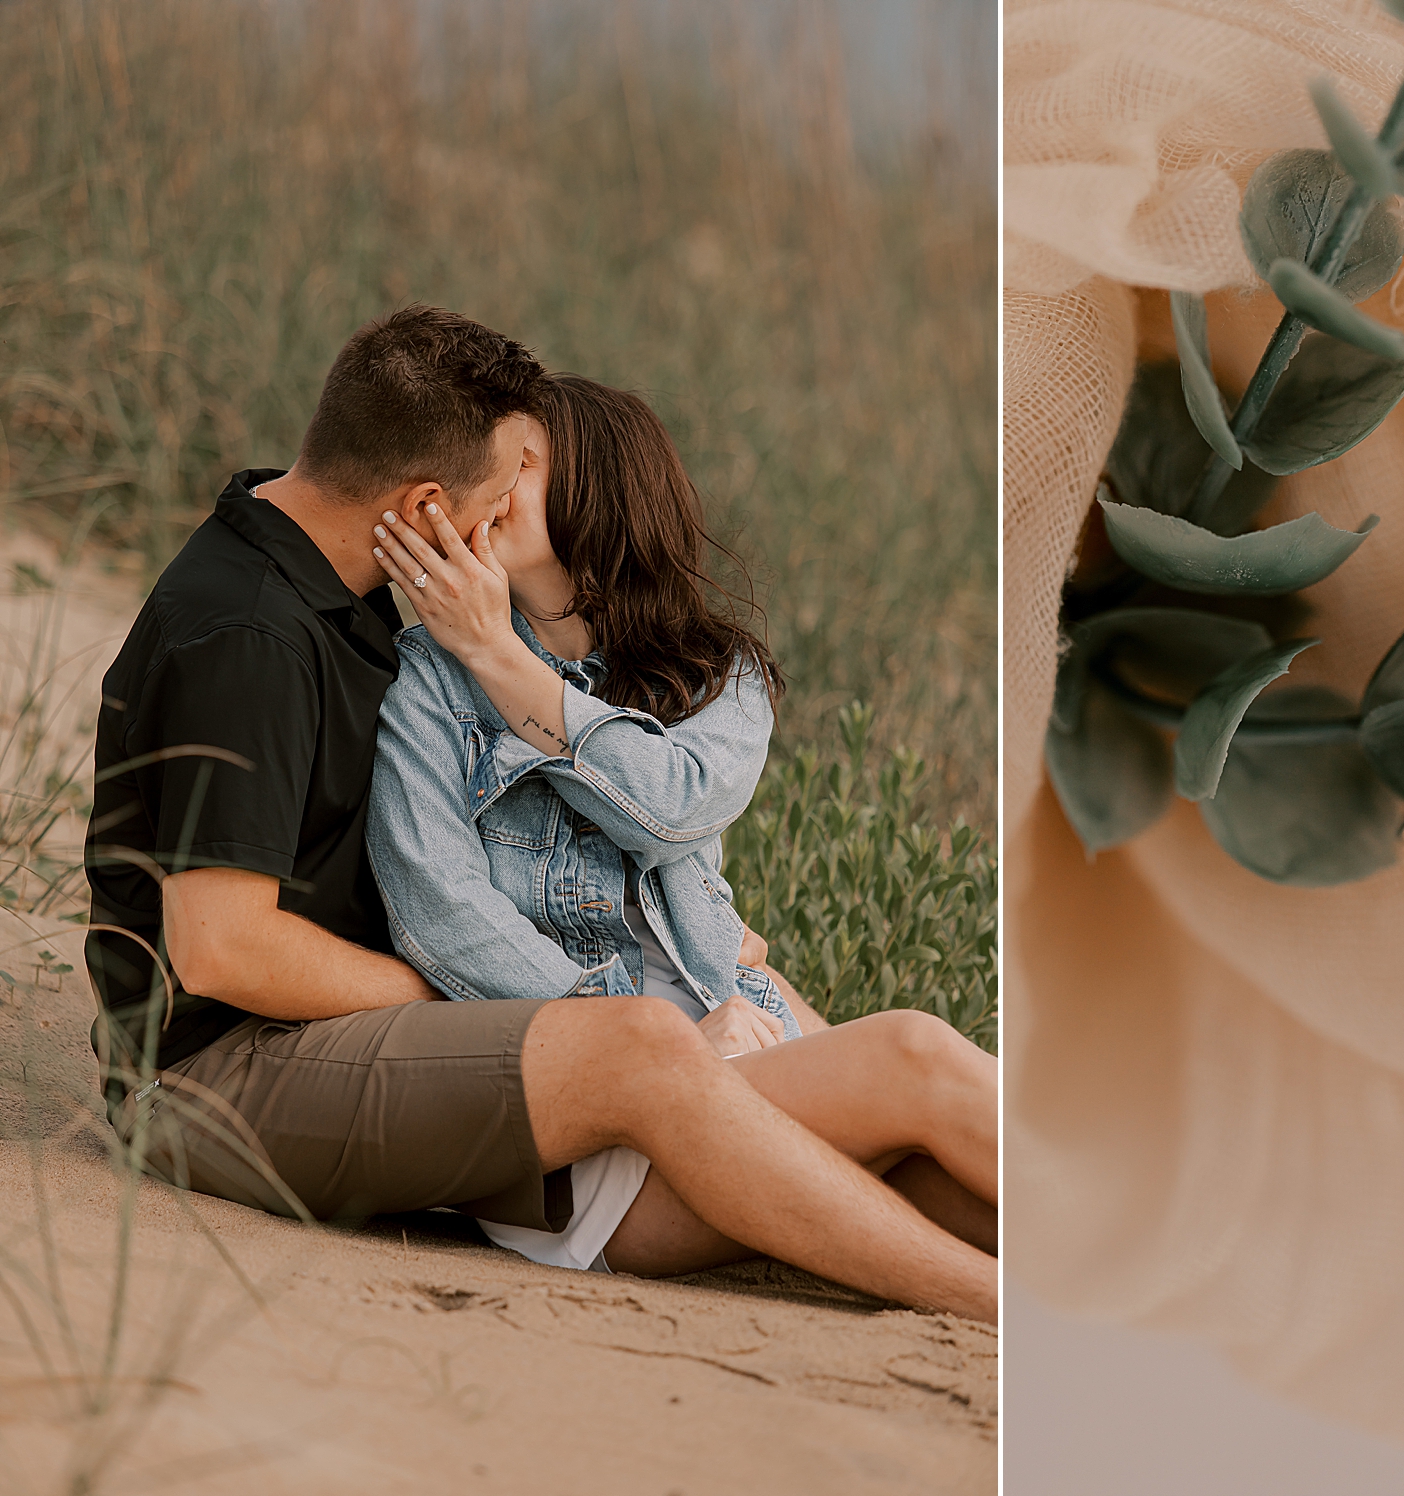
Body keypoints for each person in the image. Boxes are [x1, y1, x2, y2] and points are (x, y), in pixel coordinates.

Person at [83, 306, 995, 1321]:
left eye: (529, 473)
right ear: (431, 500)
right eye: (508, 471)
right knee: (672, 1042)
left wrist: (710, 958)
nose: (509, 497)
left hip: (457, 1040)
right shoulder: (262, 633)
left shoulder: (346, 607)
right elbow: (224, 953)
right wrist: (491, 1010)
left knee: (899, 1111)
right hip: (224, 1073)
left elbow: (670, 820)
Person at [362, 373, 997, 1275]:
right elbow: (439, 912)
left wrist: (500, 657)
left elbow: (668, 810)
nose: (492, 482)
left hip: (749, 1045)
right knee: (914, 1046)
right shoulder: (428, 679)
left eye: (524, 462)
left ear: (604, 488)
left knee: (961, 1192)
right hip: (607, 1112)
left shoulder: (718, 675)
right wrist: (634, 1038)